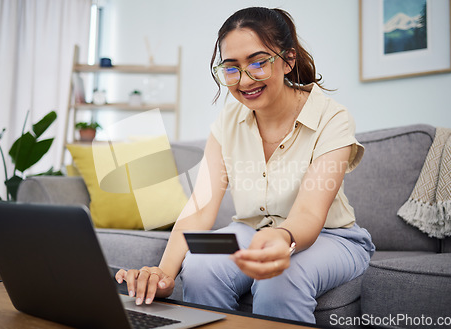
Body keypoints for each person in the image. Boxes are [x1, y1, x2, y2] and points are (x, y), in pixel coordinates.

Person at [116, 7, 375, 324]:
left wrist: (281, 238)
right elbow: (200, 206)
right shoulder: (228, 120)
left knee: (279, 280)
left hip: (331, 237)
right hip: (249, 230)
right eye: (231, 68)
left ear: (288, 59)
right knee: (198, 266)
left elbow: (309, 212)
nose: (244, 80)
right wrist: (163, 274)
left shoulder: (331, 117)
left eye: (258, 62)